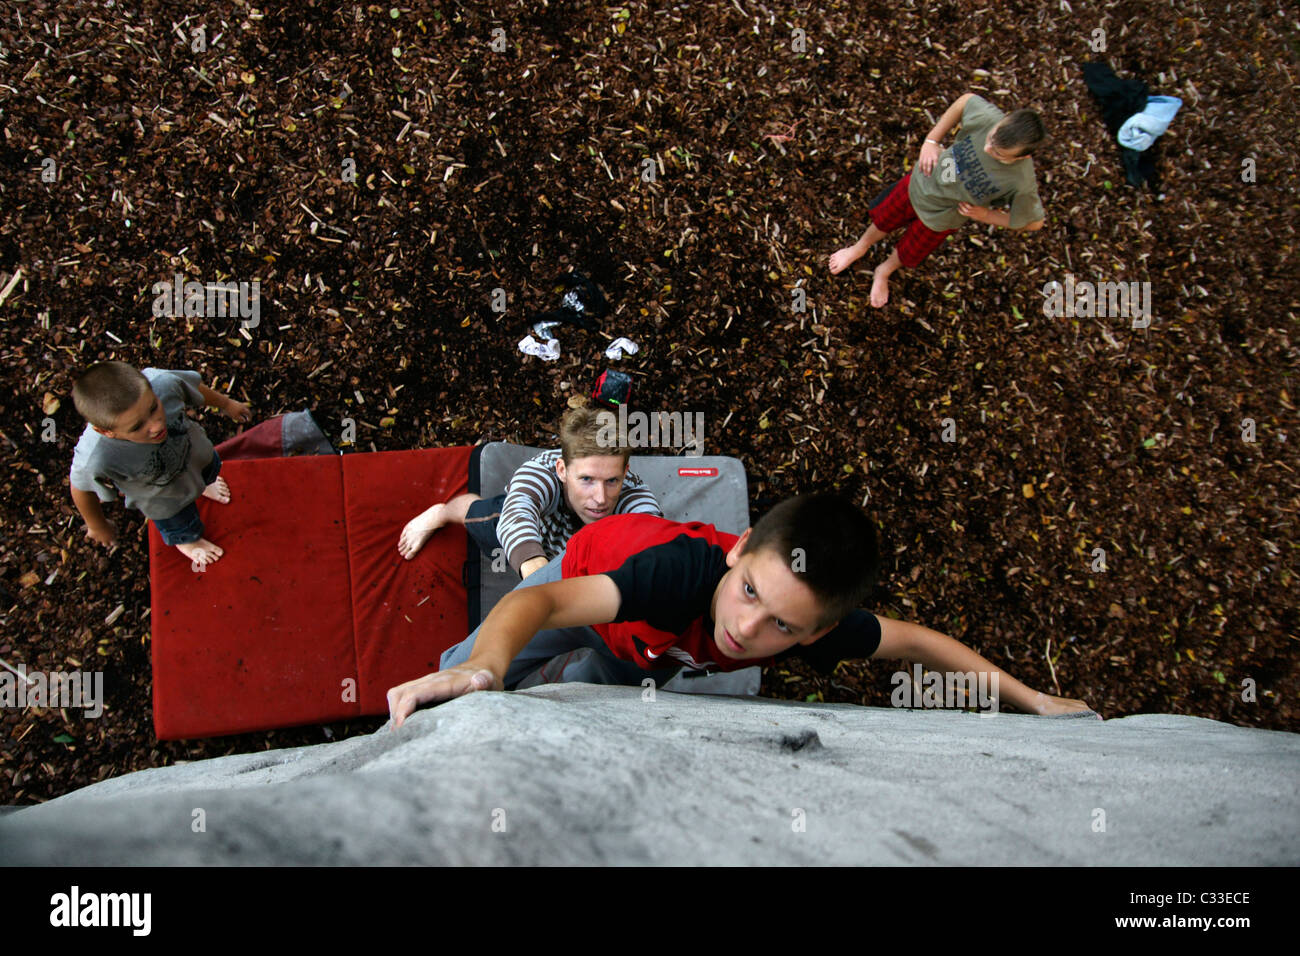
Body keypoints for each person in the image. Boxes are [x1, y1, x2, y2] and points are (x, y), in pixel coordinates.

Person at [387, 495, 1094, 726]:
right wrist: (484, 668)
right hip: (589, 587)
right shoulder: (679, 573)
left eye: (783, 627)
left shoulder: (818, 625)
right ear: (741, 549)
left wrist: (1032, 699)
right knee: (470, 675)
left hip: (648, 650)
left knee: (611, 694)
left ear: (818, 632)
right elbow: (540, 601)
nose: (746, 630)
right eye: (752, 592)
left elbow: (918, 644)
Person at [397, 401, 663, 577]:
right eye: (586, 480)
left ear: (625, 473)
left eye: (612, 481)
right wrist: (535, 572)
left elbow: (652, 530)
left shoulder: (634, 493)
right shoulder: (539, 473)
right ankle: (441, 513)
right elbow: (518, 513)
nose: (600, 498)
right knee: (480, 514)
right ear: (562, 470)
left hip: (583, 556)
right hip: (533, 531)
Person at [829, 92, 1047, 307]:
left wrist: (987, 215)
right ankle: (859, 247)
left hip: (944, 217)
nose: (987, 148)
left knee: (910, 249)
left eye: (998, 153)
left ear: (1022, 157)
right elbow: (964, 100)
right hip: (922, 184)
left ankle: (884, 271)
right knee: (884, 219)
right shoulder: (987, 117)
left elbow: (1034, 222)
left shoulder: (1021, 181)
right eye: (991, 138)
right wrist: (931, 141)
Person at [69, 362, 252, 567]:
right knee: (181, 523)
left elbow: (191, 387)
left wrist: (226, 404)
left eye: (154, 407)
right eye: (138, 426)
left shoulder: (162, 383)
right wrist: (96, 525)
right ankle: (188, 542)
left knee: (208, 473)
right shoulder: (96, 455)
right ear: (107, 432)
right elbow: (80, 487)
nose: (156, 425)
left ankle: (203, 485)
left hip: (197, 458)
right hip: (164, 499)